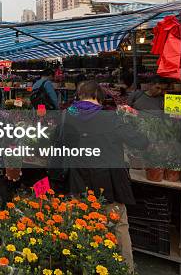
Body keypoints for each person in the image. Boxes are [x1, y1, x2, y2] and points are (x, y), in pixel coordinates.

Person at [59, 80, 148, 271]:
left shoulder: (68, 116)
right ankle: (125, 269)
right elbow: (140, 142)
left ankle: (85, 266)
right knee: (118, 227)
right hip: (108, 183)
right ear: (99, 97)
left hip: (79, 182)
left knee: (82, 226)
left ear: (79, 96)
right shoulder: (110, 118)